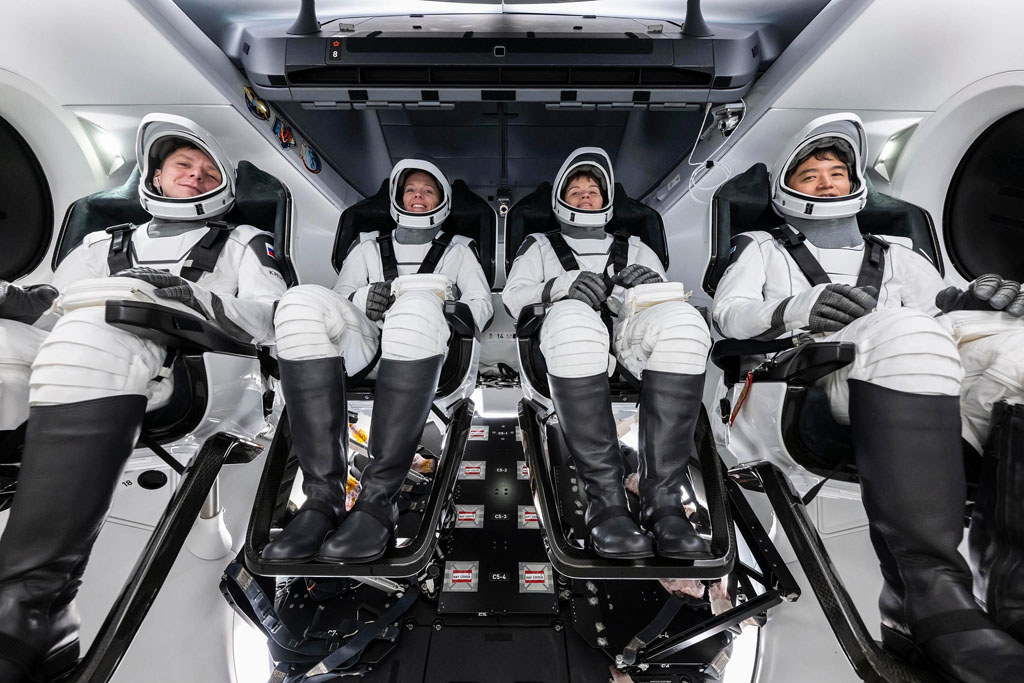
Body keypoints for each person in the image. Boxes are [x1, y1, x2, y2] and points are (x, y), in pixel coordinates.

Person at [712, 112, 1024, 681]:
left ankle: (1015, 595)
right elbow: (729, 316)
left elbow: (941, 316)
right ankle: (923, 600)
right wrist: (798, 307)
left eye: (837, 173)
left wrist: (972, 305)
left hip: (909, 366)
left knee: (1013, 348)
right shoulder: (760, 246)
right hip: (800, 379)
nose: (827, 182)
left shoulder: (900, 252)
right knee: (904, 329)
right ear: (785, 190)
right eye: (810, 176)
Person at [0, 113, 286, 683]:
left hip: (202, 369)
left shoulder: (244, 243)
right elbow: (56, 304)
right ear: (155, 175)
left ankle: (35, 602)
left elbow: (272, 315)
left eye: (208, 171)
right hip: (87, 344)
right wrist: (20, 302)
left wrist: (197, 298)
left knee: (98, 332)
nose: (196, 176)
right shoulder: (101, 243)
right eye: (184, 165)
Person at [263, 159, 492, 565]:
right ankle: (322, 501)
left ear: (441, 201)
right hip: (366, 348)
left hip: (428, 348)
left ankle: (377, 503)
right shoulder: (367, 247)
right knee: (299, 302)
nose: (418, 197)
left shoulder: (459, 252)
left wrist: (444, 304)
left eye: (428, 191)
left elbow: (482, 307)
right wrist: (362, 298)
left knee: (415, 305)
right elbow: (339, 299)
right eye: (411, 190)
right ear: (398, 198)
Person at [503, 147, 711, 560]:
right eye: (575, 190)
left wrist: (649, 285)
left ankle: (663, 503)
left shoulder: (637, 247)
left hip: (631, 339)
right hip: (568, 342)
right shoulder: (538, 246)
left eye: (593, 190)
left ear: (606, 200)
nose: (585, 196)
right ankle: (606, 504)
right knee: (573, 318)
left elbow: (664, 300)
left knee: (685, 322)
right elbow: (513, 297)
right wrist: (560, 287)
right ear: (560, 199)